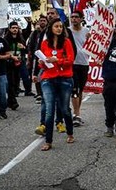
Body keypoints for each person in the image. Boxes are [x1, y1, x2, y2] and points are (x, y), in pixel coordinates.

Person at [38, 19, 75, 151]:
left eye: (61, 26)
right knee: (49, 110)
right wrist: (42, 62)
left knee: (64, 109)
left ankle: (70, 133)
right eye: (56, 26)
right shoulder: (45, 43)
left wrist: (57, 60)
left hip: (64, 79)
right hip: (48, 78)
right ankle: (48, 141)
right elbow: (41, 63)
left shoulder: (66, 42)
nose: (59, 29)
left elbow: (70, 60)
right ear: (51, 28)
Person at [67, 11, 88, 127]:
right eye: (72, 17)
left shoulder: (87, 31)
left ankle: (77, 113)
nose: (74, 19)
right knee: (74, 89)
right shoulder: (67, 31)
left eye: (76, 17)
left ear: (81, 19)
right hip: (72, 63)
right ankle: (76, 113)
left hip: (84, 63)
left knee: (80, 90)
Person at [27, 15, 49, 103]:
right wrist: (30, 56)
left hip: (46, 56)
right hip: (37, 56)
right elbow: (31, 44)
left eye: (44, 20)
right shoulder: (35, 33)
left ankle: (45, 92)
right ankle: (39, 93)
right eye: (41, 21)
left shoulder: (49, 32)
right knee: (36, 74)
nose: (42, 22)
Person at [4, 21, 26, 110]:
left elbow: (26, 50)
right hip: (9, 63)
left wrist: (23, 48)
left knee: (16, 82)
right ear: (9, 29)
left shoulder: (21, 38)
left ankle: (10, 100)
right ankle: (12, 101)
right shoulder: (6, 39)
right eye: (13, 28)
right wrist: (11, 57)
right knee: (10, 82)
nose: (15, 30)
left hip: (18, 63)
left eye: (16, 28)